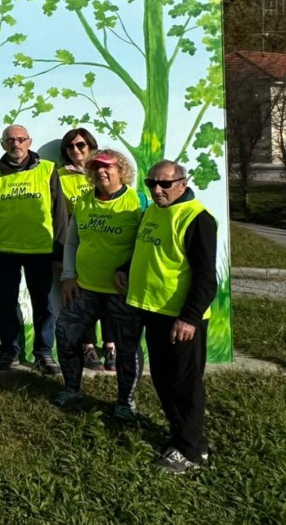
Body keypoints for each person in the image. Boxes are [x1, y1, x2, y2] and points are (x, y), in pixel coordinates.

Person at [115, 160, 217, 474]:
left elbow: (205, 278)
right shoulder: (153, 210)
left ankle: (192, 452)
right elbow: (146, 249)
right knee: (163, 379)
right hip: (153, 310)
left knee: (185, 383)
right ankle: (180, 436)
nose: (156, 190)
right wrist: (124, 268)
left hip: (180, 318)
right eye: (151, 183)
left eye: (164, 184)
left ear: (182, 184)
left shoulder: (197, 218)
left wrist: (189, 318)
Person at [52, 149, 142, 409]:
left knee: (127, 347)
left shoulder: (138, 202)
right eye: (95, 167)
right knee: (66, 335)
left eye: (107, 166)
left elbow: (144, 245)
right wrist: (68, 276)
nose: (100, 171)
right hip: (85, 289)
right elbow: (71, 242)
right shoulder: (84, 202)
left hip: (121, 292)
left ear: (120, 169)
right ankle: (72, 389)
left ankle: (126, 402)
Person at [0, 124, 67, 374]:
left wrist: (59, 253)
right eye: (9, 140)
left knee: (43, 304)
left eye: (20, 139)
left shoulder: (48, 170)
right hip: (3, 250)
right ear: (3, 144)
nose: (15, 145)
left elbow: (59, 213)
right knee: (6, 303)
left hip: (40, 249)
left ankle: (43, 354)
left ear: (29, 142)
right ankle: (9, 350)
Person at [58, 128, 114, 371]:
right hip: (78, 242)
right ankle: (88, 346)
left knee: (112, 295)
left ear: (91, 146)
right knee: (82, 297)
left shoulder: (106, 170)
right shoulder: (59, 176)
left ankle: (111, 346)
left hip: (109, 242)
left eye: (81, 145)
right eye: (70, 147)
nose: (76, 150)